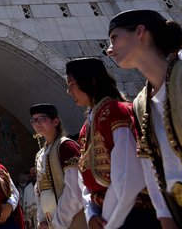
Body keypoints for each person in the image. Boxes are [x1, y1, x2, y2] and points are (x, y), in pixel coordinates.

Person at [107, 9, 182, 227]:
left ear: (140, 32)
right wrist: (164, 214)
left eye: (114, 38)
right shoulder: (141, 104)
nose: (109, 50)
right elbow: (151, 164)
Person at [65, 58, 167, 229]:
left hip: (130, 213)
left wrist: (109, 221)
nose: (69, 91)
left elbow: (129, 176)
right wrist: (90, 213)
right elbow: (84, 177)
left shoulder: (115, 111)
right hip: (103, 214)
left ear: (91, 80)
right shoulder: (88, 124)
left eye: (72, 84)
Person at [29, 103, 86, 229]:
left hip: (72, 220)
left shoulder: (66, 147)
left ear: (55, 121)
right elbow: (39, 190)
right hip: (52, 221)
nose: (37, 123)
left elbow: (75, 188)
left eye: (42, 119)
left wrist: (59, 222)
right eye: (33, 120)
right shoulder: (40, 154)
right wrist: (42, 219)